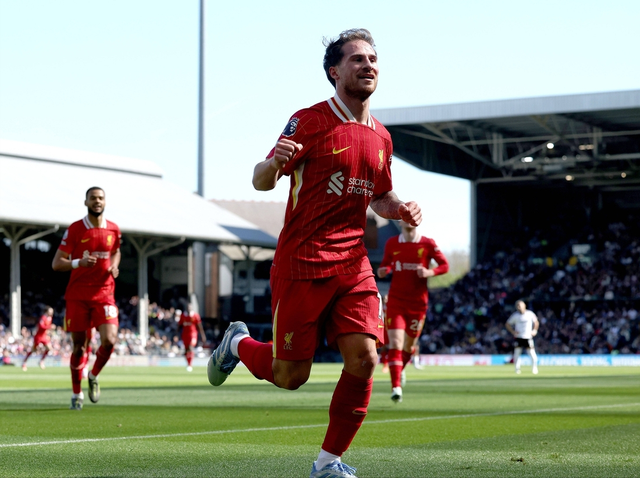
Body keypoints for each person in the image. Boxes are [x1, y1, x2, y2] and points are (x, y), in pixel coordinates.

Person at [207, 28, 422, 478]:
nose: (368, 65)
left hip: (354, 264)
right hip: (303, 261)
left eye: (373, 59)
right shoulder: (308, 121)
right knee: (291, 376)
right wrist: (274, 163)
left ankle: (328, 463)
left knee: (365, 358)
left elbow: (380, 197)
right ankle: (237, 344)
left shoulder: (382, 137)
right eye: (357, 59)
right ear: (334, 71)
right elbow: (260, 180)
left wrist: (400, 207)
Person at [52, 186, 122, 410]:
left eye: (100, 198)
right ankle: (76, 394)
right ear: (86, 202)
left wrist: (114, 265)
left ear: (105, 202)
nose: (97, 201)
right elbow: (56, 263)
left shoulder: (113, 229)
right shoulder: (76, 229)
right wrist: (78, 263)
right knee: (79, 348)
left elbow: (116, 251)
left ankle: (93, 375)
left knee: (110, 341)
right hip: (78, 295)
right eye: (93, 198)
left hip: (104, 293)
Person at [377, 221, 448, 402]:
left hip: (418, 304)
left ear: (417, 220)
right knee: (395, 343)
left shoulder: (427, 243)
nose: (408, 218)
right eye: (405, 215)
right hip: (396, 301)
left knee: (409, 347)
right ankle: (396, 387)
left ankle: (399, 369)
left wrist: (429, 272)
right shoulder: (392, 243)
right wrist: (384, 270)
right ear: (400, 221)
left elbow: (444, 265)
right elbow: (386, 265)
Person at [505, 300, 539, 374]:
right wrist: (513, 332)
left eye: (520, 305)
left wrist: (534, 330)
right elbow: (507, 324)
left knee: (532, 354)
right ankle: (517, 369)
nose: (518, 307)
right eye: (517, 306)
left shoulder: (530, 314)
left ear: (524, 306)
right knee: (517, 354)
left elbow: (536, 322)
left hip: (528, 337)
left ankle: (534, 368)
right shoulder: (515, 315)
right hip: (519, 337)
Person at [21, 306, 54, 371]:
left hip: (44, 336)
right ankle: (24, 362)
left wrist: (49, 332)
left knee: (49, 348)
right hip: (38, 336)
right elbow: (41, 326)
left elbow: (47, 328)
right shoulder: (43, 317)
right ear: (47, 311)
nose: (52, 312)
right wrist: (49, 327)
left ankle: (41, 361)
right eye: (50, 311)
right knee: (33, 350)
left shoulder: (50, 318)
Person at [178, 304, 206, 372]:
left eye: (190, 307)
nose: (188, 309)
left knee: (190, 347)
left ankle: (190, 365)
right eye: (187, 307)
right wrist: (176, 334)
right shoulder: (183, 316)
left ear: (192, 308)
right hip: (185, 334)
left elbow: (199, 326)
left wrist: (203, 335)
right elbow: (179, 325)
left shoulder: (195, 315)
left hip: (193, 334)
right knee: (186, 350)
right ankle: (188, 363)